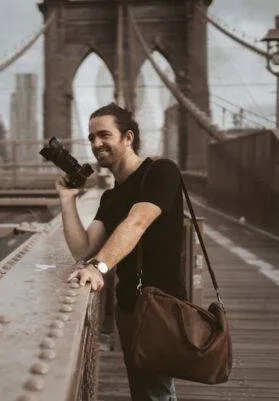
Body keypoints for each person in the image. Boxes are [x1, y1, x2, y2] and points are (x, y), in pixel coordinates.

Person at [57, 103, 185, 401]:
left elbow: (137, 221)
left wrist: (98, 268)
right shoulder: (112, 197)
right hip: (129, 308)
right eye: (91, 138)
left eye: (104, 134)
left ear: (128, 137)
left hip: (160, 305)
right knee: (145, 391)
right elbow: (84, 248)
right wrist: (67, 200)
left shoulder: (160, 171)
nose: (96, 143)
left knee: (156, 393)